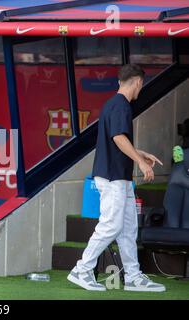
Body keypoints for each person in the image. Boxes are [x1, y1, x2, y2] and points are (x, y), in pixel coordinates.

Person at [67, 64, 166, 292]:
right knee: (111, 226)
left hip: (117, 177)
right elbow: (118, 137)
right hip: (113, 178)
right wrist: (140, 162)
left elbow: (116, 141)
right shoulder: (122, 106)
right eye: (142, 85)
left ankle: (133, 277)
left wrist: (139, 154)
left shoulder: (112, 104)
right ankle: (82, 269)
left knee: (128, 228)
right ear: (138, 82)